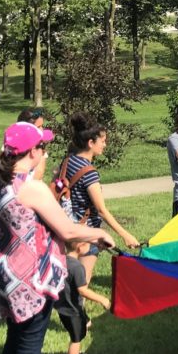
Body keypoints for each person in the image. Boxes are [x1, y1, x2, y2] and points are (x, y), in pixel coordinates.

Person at [0, 121, 115, 354]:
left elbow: (29, 221)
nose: (45, 152)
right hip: (32, 277)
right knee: (30, 344)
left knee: (15, 340)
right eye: (42, 147)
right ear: (31, 152)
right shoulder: (31, 188)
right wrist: (99, 232)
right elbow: (68, 229)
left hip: (6, 272)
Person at [60, 113, 140, 286]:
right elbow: (102, 211)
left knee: (69, 279)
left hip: (70, 227)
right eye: (102, 141)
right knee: (82, 284)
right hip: (87, 233)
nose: (105, 144)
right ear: (90, 143)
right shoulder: (89, 173)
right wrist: (125, 235)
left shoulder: (68, 161)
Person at [55, 240, 111, 354]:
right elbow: (83, 290)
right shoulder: (77, 267)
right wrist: (102, 299)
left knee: (85, 324)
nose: (90, 247)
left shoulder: (61, 261)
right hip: (73, 310)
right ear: (80, 248)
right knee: (76, 339)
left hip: (63, 307)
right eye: (88, 245)